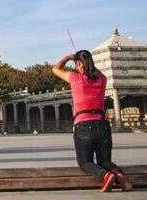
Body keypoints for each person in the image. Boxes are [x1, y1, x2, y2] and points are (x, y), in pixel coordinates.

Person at [52, 50, 133, 192]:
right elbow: (96, 71)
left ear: (78, 64)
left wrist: (67, 58)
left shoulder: (75, 78)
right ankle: (120, 176)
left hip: (83, 125)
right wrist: (85, 62)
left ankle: (106, 176)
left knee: (85, 162)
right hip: (102, 124)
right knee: (105, 161)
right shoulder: (102, 80)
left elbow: (55, 69)